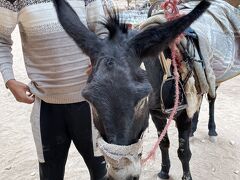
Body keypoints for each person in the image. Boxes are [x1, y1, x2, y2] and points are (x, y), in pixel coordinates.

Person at [0, 0, 107, 179]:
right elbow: (1, 38)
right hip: (47, 110)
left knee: (101, 173)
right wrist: (9, 79)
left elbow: (103, 29)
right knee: (50, 174)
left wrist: (102, 56)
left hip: (92, 104)